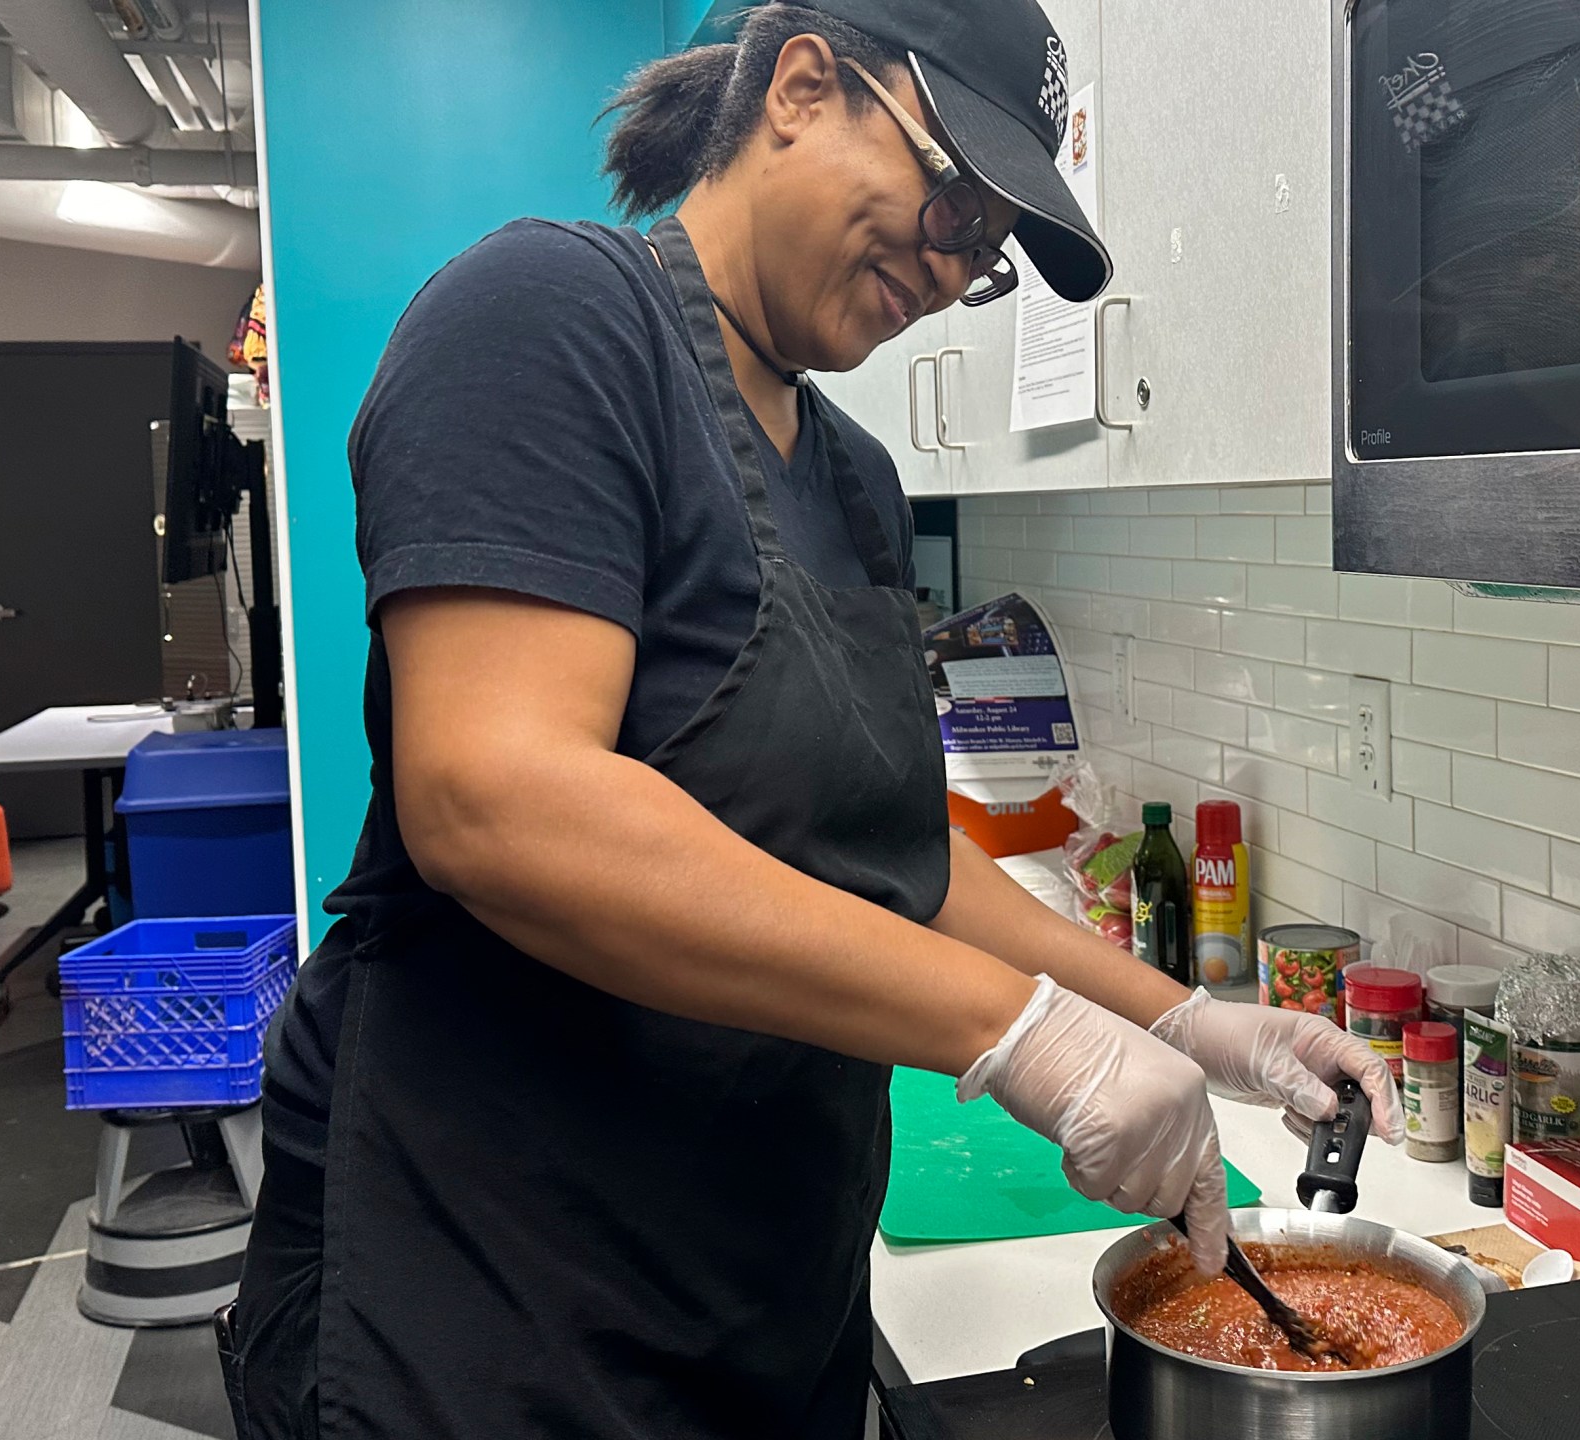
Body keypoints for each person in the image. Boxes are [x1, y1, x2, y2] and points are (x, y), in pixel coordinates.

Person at [227, 3, 1397, 1436]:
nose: (955, 260)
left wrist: (1191, 1023)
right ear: (799, 85)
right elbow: (498, 800)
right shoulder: (545, 317)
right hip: (488, 1292)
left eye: (987, 252)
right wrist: (1019, 1036)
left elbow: (896, 857)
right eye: (952, 196)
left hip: (753, 1286)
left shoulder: (853, 479)